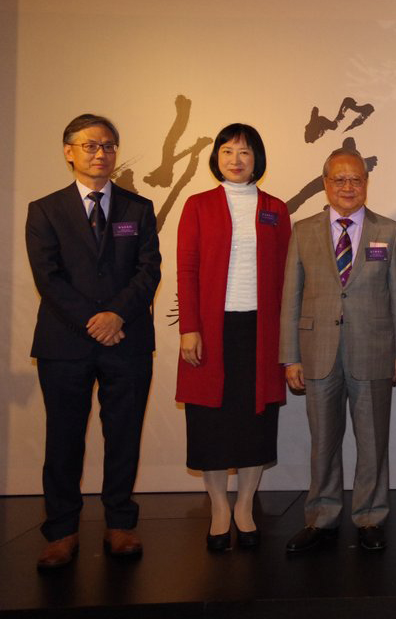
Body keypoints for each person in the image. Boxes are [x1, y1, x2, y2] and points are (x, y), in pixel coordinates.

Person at [26, 113, 161, 570]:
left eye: (108, 146)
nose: (101, 153)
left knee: (123, 435)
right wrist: (94, 320)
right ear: (69, 152)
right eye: (90, 145)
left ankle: (120, 523)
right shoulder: (45, 210)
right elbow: (48, 277)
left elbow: (149, 270)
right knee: (64, 438)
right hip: (65, 344)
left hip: (127, 338)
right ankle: (61, 530)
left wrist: (116, 314)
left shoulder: (138, 208)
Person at [280, 149, 396, 554]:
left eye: (356, 179)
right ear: (325, 183)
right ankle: (321, 516)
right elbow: (291, 296)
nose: (348, 187)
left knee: (373, 442)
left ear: (366, 184)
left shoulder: (389, 231)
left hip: (374, 349)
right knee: (323, 442)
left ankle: (370, 516)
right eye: (340, 179)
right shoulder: (303, 230)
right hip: (317, 351)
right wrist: (290, 356)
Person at [175, 123, 291, 552]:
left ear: (257, 158)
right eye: (227, 151)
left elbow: (287, 272)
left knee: (253, 422)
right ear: (217, 158)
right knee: (210, 422)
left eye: (244, 152)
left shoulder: (275, 208)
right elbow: (186, 268)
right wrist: (189, 327)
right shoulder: (198, 205)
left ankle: (244, 506)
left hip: (260, 330)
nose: (236, 160)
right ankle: (219, 508)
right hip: (211, 329)